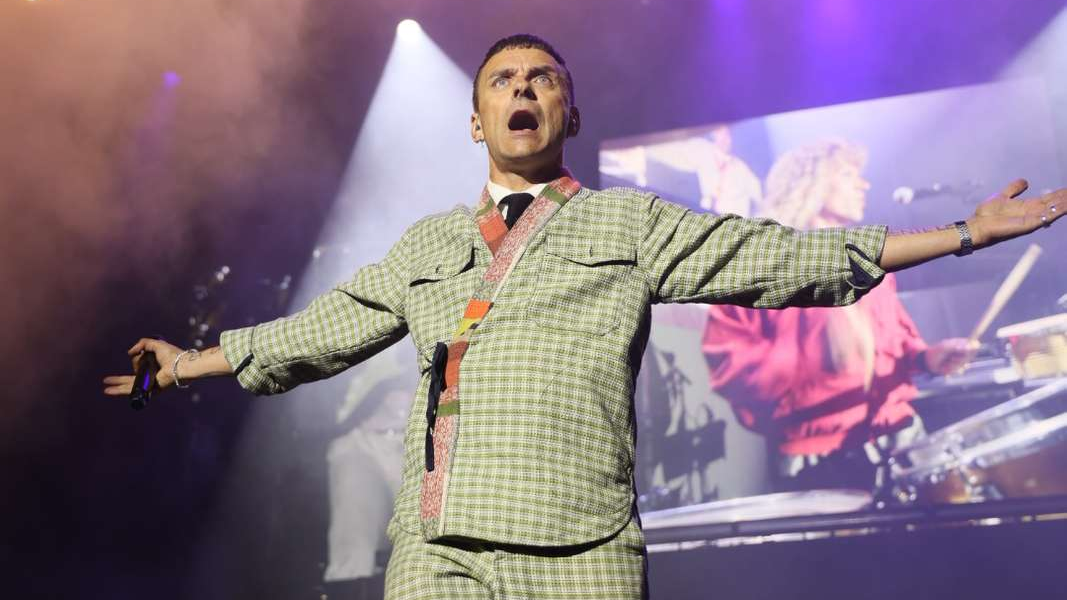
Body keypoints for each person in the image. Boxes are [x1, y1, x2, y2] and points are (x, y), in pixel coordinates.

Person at [104, 34, 1067, 599]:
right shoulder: (428, 244)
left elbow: (779, 258)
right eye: (501, 81)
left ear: (568, 114)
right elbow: (322, 331)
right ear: (474, 121)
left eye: (542, 79)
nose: (522, 89)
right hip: (440, 549)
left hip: (579, 549)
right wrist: (187, 363)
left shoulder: (626, 222)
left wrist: (960, 234)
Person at [701, 140, 979, 492]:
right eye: (848, 175)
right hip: (819, 456)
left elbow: (898, 344)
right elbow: (733, 368)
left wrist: (927, 358)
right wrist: (818, 361)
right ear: (811, 184)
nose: (863, 184)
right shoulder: (759, 268)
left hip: (899, 435)